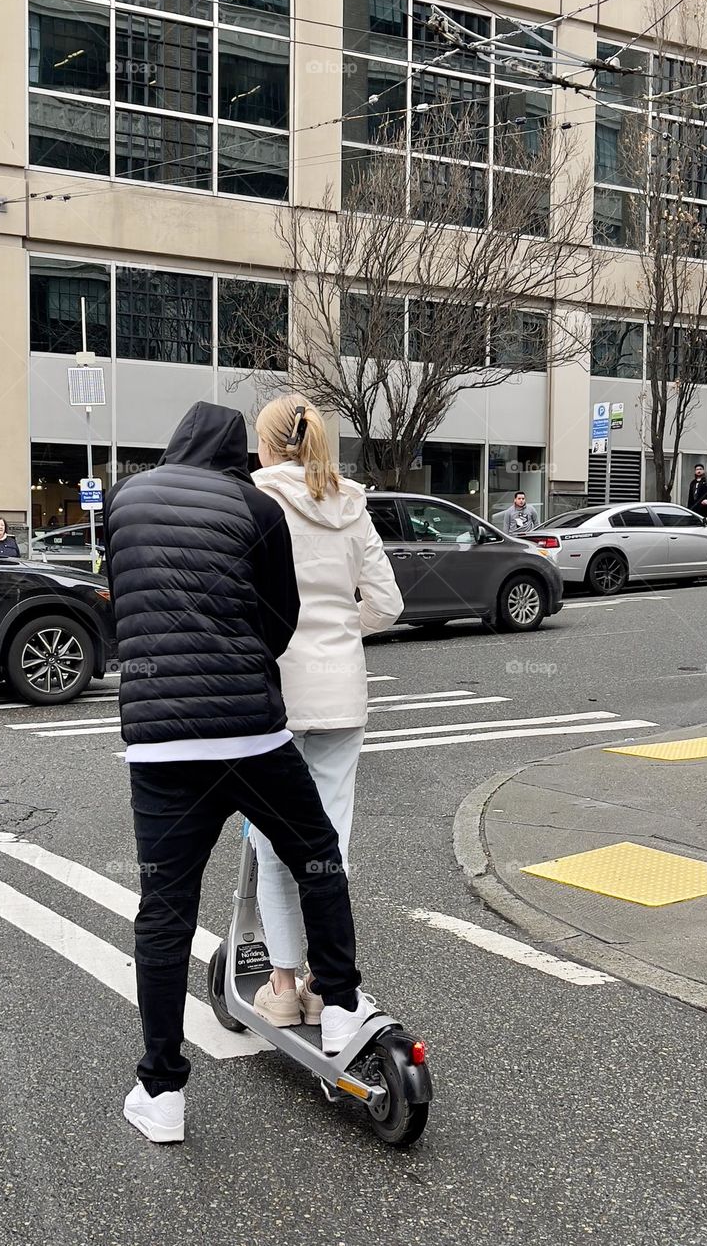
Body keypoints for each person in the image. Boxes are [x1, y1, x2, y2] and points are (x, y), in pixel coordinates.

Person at [103, 401, 374, 1146]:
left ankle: (161, 1091)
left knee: (164, 912)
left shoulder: (124, 499)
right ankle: (341, 1003)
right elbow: (279, 618)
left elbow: (122, 602)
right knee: (316, 854)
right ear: (235, 454)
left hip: (161, 746)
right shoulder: (255, 506)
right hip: (249, 734)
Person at [248, 396, 403, 1028]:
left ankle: (282, 985)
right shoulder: (354, 506)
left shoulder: (257, 501)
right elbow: (387, 604)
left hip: (277, 693)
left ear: (266, 445)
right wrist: (342, 633)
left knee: (271, 837)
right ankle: (323, 978)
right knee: (328, 839)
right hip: (343, 691)